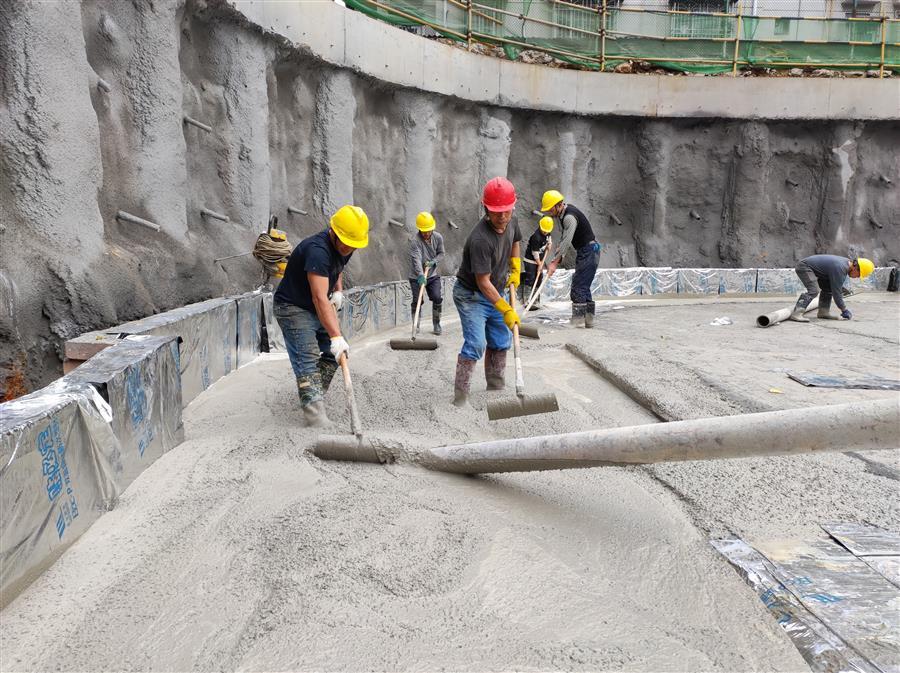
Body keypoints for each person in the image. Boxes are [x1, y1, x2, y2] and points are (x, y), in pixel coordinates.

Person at [273, 205, 369, 426]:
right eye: (346, 243)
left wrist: (337, 290)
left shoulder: (346, 245)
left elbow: (338, 267)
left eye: (353, 245)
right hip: (293, 307)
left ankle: (313, 392)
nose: (349, 248)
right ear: (334, 232)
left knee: (336, 354)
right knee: (307, 356)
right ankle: (315, 416)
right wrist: (335, 336)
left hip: (315, 304)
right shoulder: (317, 251)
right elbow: (318, 298)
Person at [452, 177, 522, 406]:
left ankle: (495, 387)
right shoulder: (480, 239)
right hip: (472, 295)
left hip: (496, 290)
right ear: (486, 209)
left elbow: (515, 241)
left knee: (502, 339)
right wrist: (506, 309)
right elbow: (483, 282)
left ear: (512, 207)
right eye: (496, 212)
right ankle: (460, 397)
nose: (502, 217)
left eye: (506, 211)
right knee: (476, 343)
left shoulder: (511, 221)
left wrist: (516, 267)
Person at [540, 190, 601, 328]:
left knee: (578, 286)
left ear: (558, 205)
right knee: (583, 286)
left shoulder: (569, 217)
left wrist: (554, 262)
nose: (549, 212)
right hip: (588, 250)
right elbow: (564, 239)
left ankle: (578, 321)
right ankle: (588, 320)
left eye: (550, 209)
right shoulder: (566, 213)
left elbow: (567, 241)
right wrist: (559, 255)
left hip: (589, 251)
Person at [790, 254, 874, 322]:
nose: (857, 277)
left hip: (816, 270)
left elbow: (835, 285)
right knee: (814, 290)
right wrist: (844, 309)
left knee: (828, 288)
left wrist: (840, 288)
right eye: (859, 275)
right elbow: (836, 293)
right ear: (855, 267)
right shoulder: (840, 268)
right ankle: (796, 313)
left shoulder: (845, 264)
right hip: (804, 267)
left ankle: (823, 312)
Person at [407, 211, 445, 335]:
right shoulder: (415, 241)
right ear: (419, 229)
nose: (427, 233)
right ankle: (416, 325)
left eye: (429, 230)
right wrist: (420, 275)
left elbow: (441, 253)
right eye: (424, 231)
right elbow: (416, 259)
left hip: (432, 275)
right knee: (417, 300)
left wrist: (433, 261)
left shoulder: (438, 237)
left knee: (437, 297)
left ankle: (437, 324)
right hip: (416, 276)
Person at [519, 215, 554, 310]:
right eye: (544, 231)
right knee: (530, 279)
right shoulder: (536, 237)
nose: (545, 232)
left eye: (547, 231)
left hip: (540, 261)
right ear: (540, 226)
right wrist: (540, 264)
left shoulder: (547, 232)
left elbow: (549, 239)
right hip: (530, 261)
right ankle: (527, 300)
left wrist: (549, 245)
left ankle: (535, 300)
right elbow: (535, 253)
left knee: (539, 279)